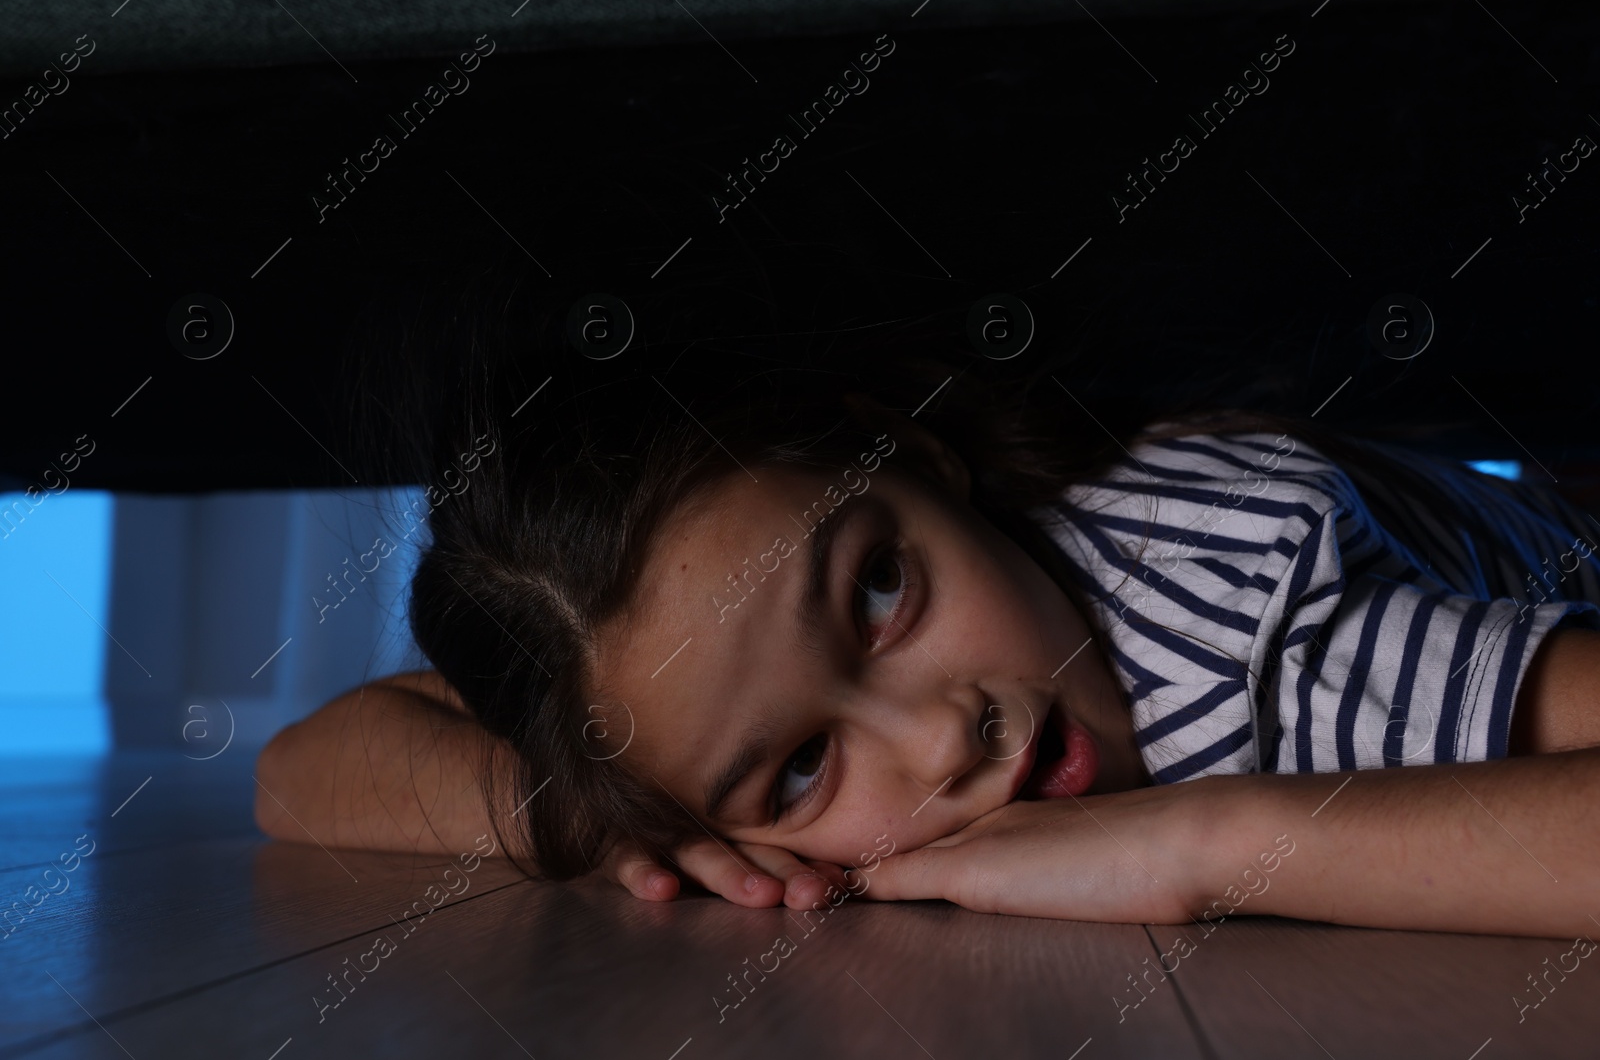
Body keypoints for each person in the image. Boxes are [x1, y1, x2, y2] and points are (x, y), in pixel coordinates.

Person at [255, 281, 1600, 940]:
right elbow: (299, 772)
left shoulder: (1251, 640)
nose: (943, 738)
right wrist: (613, 823)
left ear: (908, 453)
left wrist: (1204, 842)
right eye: (797, 766)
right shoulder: (677, 736)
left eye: (883, 592)